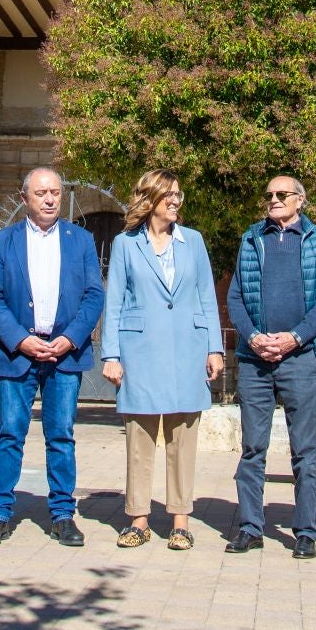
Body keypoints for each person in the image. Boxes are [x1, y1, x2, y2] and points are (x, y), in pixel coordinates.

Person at [100, 170, 225, 551]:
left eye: (178, 194)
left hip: (188, 349)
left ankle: (180, 521)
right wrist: (111, 354)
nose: (175, 201)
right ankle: (138, 519)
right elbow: (115, 300)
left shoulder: (194, 242)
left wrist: (215, 347)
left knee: (182, 438)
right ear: (149, 198)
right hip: (139, 351)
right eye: (168, 195)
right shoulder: (125, 244)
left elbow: (207, 296)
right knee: (139, 437)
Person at [0, 167, 106, 547]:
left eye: (55, 192)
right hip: (17, 353)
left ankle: (62, 514)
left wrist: (70, 338)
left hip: (64, 354)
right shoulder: (3, 242)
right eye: (41, 193)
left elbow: (93, 295)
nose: (50, 199)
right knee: (9, 434)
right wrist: (21, 340)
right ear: (25, 199)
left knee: (61, 436)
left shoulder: (81, 240)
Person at [225, 175, 316, 559]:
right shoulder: (250, 237)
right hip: (255, 360)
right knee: (252, 447)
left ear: (300, 201)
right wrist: (254, 336)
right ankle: (250, 527)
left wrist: (295, 338)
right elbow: (236, 296)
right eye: (269, 194)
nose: (273, 199)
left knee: (304, 449)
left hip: (300, 358)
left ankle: (306, 530)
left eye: (281, 194)